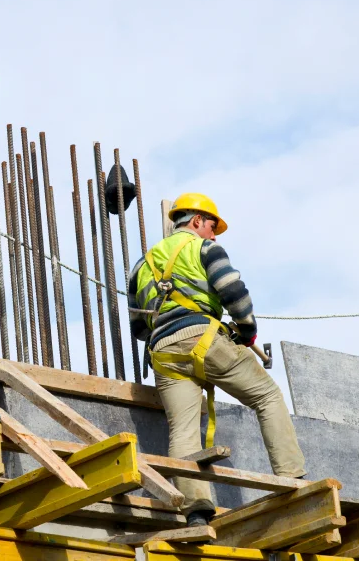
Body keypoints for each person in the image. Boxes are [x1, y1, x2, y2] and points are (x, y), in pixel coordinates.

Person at [127, 193, 306, 526]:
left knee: (182, 431)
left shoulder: (141, 265)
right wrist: (247, 331)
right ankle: (292, 478)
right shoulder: (204, 249)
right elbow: (233, 291)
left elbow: (138, 327)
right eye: (212, 226)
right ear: (196, 221)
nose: (213, 234)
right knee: (267, 396)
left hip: (163, 352)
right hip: (205, 339)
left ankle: (195, 511)